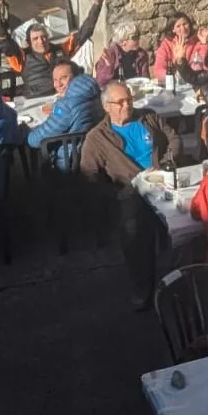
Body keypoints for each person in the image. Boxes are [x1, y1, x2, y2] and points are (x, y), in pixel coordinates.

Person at [80, 82, 180, 309]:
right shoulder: (97, 138)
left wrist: (165, 163)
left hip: (164, 180)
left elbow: (173, 138)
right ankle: (143, 286)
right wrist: (116, 193)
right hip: (130, 190)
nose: (128, 105)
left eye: (130, 100)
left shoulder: (148, 118)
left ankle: (183, 277)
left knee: (195, 216)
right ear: (107, 106)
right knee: (133, 228)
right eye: (121, 102)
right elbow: (88, 175)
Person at [0, 0, 106, 98]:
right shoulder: (23, 57)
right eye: (35, 39)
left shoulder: (61, 50)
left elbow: (85, 32)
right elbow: (5, 44)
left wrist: (97, 4)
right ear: (28, 42)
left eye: (43, 37)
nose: (41, 41)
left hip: (62, 96)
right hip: (35, 100)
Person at [26, 63, 103, 171]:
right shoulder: (95, 92)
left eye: (63, 78)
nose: (58, 84)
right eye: (55, 80)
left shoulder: (66, 106)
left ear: (76, 77)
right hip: (96, 154)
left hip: (70, 160)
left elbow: (36, 139)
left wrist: (26, 132)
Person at [152, 12, 208, 82]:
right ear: (173, 29)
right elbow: (158, 69)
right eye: (178, 26)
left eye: (185, 24)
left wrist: (204, 43)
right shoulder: (166, 44)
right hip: (173, 82)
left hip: (194, 81)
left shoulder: (197, 41)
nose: (183, 28)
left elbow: (204, 66)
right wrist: (172, 78)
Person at [94, 21, 152, 85]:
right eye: (134, 37)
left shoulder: (141, 54)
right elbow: (100, 82)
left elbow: (145, 79)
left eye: (139, 35)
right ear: (123, 42)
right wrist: (109, 67)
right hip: (115, 91)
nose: (138, 39)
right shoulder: (110, 54)